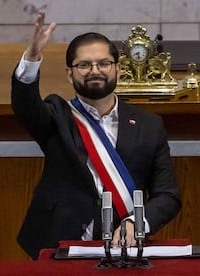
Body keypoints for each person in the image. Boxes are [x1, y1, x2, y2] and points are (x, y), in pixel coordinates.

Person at [11, 11, 181, 259]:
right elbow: (25, 105)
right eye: (84, 65)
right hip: (59, 246)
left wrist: (137, 223)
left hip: (125, 247)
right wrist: (33, 57)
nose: (95, 70)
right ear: (70, 74)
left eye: (103, 63)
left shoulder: (148, 125)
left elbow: (168, 195)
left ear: (119, 69)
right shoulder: (55, 116)